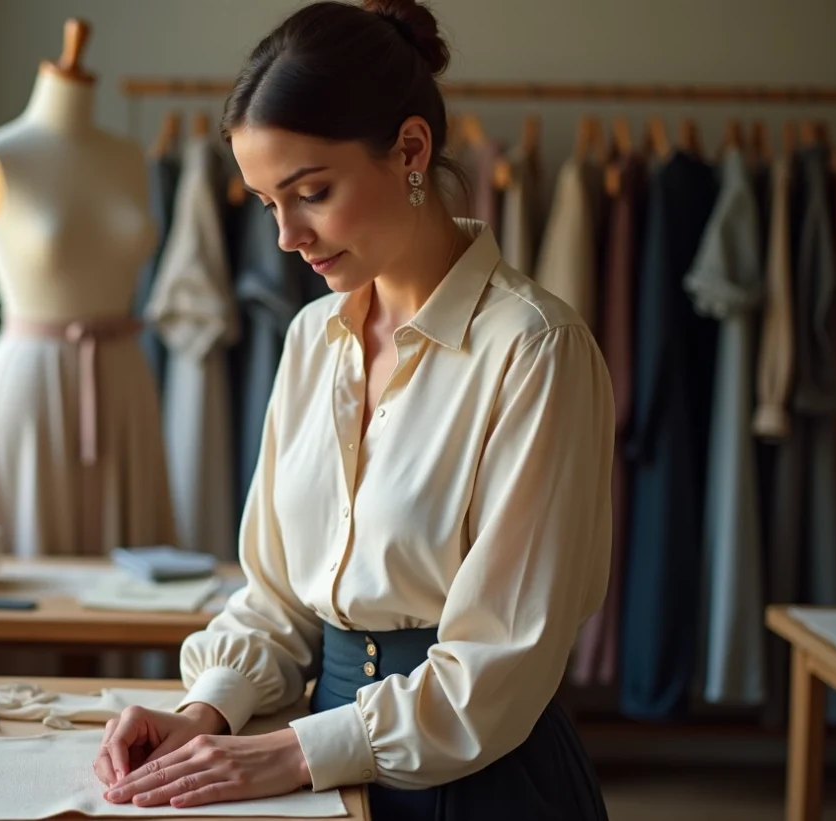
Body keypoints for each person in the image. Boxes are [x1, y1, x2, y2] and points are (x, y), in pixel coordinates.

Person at [93, 1, 614, 818]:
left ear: (411, 148)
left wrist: (287, 752)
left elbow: (499, 664)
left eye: (311, 193)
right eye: (268, 203)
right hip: (319, 773)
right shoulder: (312, 340)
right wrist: (205, 713)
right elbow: (279, 592)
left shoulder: (534, 349)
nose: (286, 238)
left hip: (479, 783)